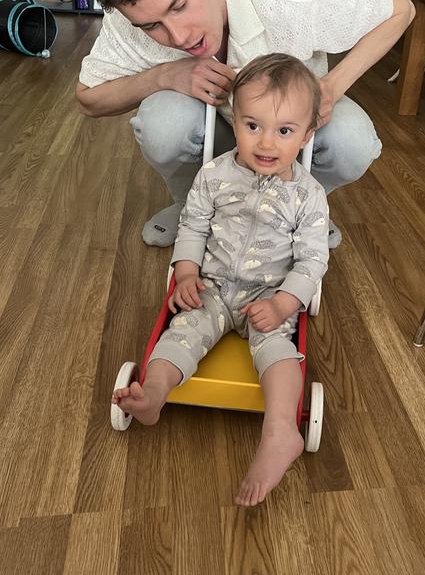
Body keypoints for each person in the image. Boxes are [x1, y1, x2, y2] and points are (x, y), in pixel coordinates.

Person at [76, 0, 415, 250]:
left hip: (291, 132)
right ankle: (193, 207)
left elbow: (402, 10)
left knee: (353, 143)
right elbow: (88, 98)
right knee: (163, 124)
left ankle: (304, 207)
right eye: (151, 26)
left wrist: (332, 85)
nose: (178, 37)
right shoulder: (130, 13)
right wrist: (164, 76)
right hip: (215, 128)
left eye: (179, 5)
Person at [112, 54, 330, 506]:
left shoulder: (309, 196)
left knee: (277, 348)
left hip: (268, 295)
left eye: (284, 131)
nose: (265, 142)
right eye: (253, 126)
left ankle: (280, 430)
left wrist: (285, 303)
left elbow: (312, 260)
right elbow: (192, 225)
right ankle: (154, 392)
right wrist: (186, 271)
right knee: (184, 330)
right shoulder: (214, 175)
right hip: (211, 286)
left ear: (307, 135)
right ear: (235, 119)